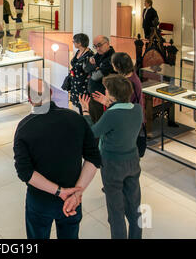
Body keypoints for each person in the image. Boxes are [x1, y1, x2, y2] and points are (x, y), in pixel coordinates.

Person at [14, 78, 101, 239]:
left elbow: (25, 172)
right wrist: (77, 192)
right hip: (73, 198)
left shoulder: (24, 128)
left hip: (40, 200)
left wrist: (59, 191)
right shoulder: (76, 119)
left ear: (30, 100)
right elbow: (94, 158)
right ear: (52, 93)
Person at [79, 74, 143, 239]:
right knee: (134, 207)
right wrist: (109, 104)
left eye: (106, 90)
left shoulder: (111, 115)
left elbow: (92, 132)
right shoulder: (137, 109)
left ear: (113, 95)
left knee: (116, 212)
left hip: (113, 164)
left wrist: (86, 111)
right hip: (133, 162)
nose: (105, 92)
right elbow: (122, 117)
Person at [83, 35, 115, 123]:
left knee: (99, 121)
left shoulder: (112, 57)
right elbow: (85, 68)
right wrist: (95, 68)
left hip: (103, 98)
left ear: (107, 44)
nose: (97, 48)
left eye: (99, 45)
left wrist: (92, 67)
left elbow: (95, 76)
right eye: (95, 46)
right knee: (93, 119)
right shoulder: (99, 54)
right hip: (94, 95)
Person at [68, 33, 93, 114]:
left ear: (79, 43)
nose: (73, 43)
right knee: (78, 107)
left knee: (84, 106)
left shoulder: (89, 55)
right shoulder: (78, 51)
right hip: (75, 84)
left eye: (74, 41)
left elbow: (89, 71)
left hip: (83, 86)